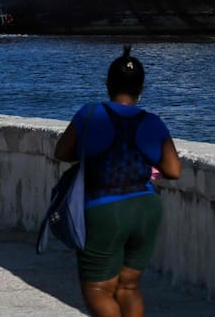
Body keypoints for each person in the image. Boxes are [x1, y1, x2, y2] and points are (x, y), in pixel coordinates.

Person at [53, 45, 182, 317]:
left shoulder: (89, 114)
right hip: (146, 207)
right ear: (141, 88)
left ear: (108, 84)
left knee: (98, 290)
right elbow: (173, 170)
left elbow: (61, 153)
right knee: (129, 286)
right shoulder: (153, 122)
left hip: (104, 206)